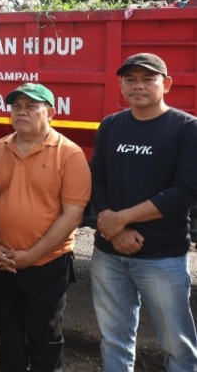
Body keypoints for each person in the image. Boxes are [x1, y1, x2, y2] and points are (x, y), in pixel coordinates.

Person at [90, 53, 197, 372]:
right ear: (121, 84)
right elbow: (97, 180)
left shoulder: (186, 128)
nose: (138, 86)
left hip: (162, 257)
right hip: (108, 255)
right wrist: (115, 228)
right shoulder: (111, 125)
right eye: (130, 79)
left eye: (147, 79)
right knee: (114, 340)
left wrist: (122, 218)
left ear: (166, 85)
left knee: (177, 344)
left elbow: (186, 190)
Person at [0, 83, 91, 372]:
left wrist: (31, 255)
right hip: (1, 263)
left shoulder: (70, 154)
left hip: (47, 264)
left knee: (46, 339)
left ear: (51, 113)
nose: (21, 112)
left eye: (31, 106)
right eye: (16, 107)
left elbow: (72, 217)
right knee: (9, 335)